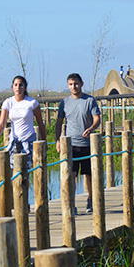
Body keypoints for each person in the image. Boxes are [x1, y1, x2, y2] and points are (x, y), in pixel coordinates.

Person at [55, 73, 101, 214]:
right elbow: (59, 123)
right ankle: (72, 204)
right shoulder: (64, 103)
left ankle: (91, 200)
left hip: (87, 144)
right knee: (71, 175)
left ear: (81, 83)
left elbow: (97, 118)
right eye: (70, 84)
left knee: (89, 175)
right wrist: (57, 140)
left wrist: (91, 128)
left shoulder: (90, 100)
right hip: (71, 145)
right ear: (68, 85)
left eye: (76, 83)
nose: (73, 87)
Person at [0, 76, 47, 172]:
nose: (18, 87)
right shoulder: (8, 103)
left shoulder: (32, 103)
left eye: (21, 85)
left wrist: (44, 140)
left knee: (25, 170)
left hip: (28, 139)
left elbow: (40, 123)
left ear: (25, 87)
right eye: (16, 85)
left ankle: (25, 186)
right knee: (12, 170)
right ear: (12, 87)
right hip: (14, 140)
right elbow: (1, 124)